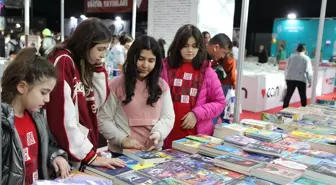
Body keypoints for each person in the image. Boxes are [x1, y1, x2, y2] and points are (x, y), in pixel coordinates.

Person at [45, 18, 126, 169]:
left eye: (105, 50)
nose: (103, 55)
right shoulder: (64, 61)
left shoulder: (81, 62)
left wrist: (98, 68)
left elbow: (98, 101)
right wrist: (89, 156)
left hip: (80, 148)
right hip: (65, 151)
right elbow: (62, 117)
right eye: (100, 49)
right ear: (86, 43)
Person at [1, 48, 70, 185]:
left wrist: (54, 156)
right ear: (22, 87)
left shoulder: (37, 118)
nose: (48, 99)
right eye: (44, 92)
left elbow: (40, 148)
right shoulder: (4, 126)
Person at [98, 36, 175, 153]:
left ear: (157, 62)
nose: (145, 65)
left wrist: (158, 134)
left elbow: (168, 117)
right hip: (121, 153)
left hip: (153, 152)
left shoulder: (162, 86)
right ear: (132, 57)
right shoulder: (116, 84)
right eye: (141, 58)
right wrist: (122, 139)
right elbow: (103, 119)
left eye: (151, 60)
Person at [162, 24, 226, 148]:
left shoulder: (207, 72)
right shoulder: (164, 67)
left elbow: (220, 103)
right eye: (185, 45)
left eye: (194, 46)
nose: (190, 50)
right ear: (177, 45)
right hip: (166, 135)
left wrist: (197, 114)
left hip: (196, 139)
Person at [207, 33, 235, 124]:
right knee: (221, 106)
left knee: (222, 106)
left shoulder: (212, 60)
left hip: (222, 83)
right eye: (223, 52)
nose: (223, 56)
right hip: (225, 84)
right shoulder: (228, 59)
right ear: (216, 47)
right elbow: (232, 73)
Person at [283, 44, 313, 108]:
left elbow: (286, 68)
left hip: (290, 78)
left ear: (297, 49)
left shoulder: (291, 57)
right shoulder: (306, 58)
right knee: (302, 96)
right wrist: (310, 81)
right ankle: (304, 108)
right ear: (304, 50)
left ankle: (284, 108)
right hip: (301, 79)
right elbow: (308, 71)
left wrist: (286, 78)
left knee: (288, 95)